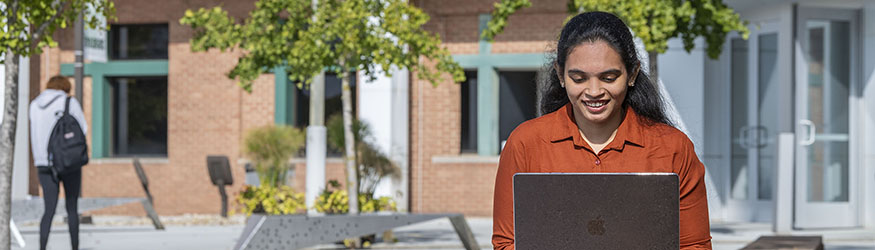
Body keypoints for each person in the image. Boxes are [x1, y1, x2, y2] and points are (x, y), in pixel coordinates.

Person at [492, 12, 711, 249]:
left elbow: (695, 245)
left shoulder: (673, 148)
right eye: (579, 78)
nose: (594, 91)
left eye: (609, 77)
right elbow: (507, 243)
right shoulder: (526, 143)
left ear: (633, 74)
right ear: (560, 74)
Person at [29, 75, 88, 250]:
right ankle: (75, 247)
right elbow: (82, 129)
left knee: (48, 210)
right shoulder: (68, 102)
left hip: (42, 164)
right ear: (65, 87)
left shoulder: (34, 105)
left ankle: (42, 247)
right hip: (68, 161)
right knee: (72, 208)